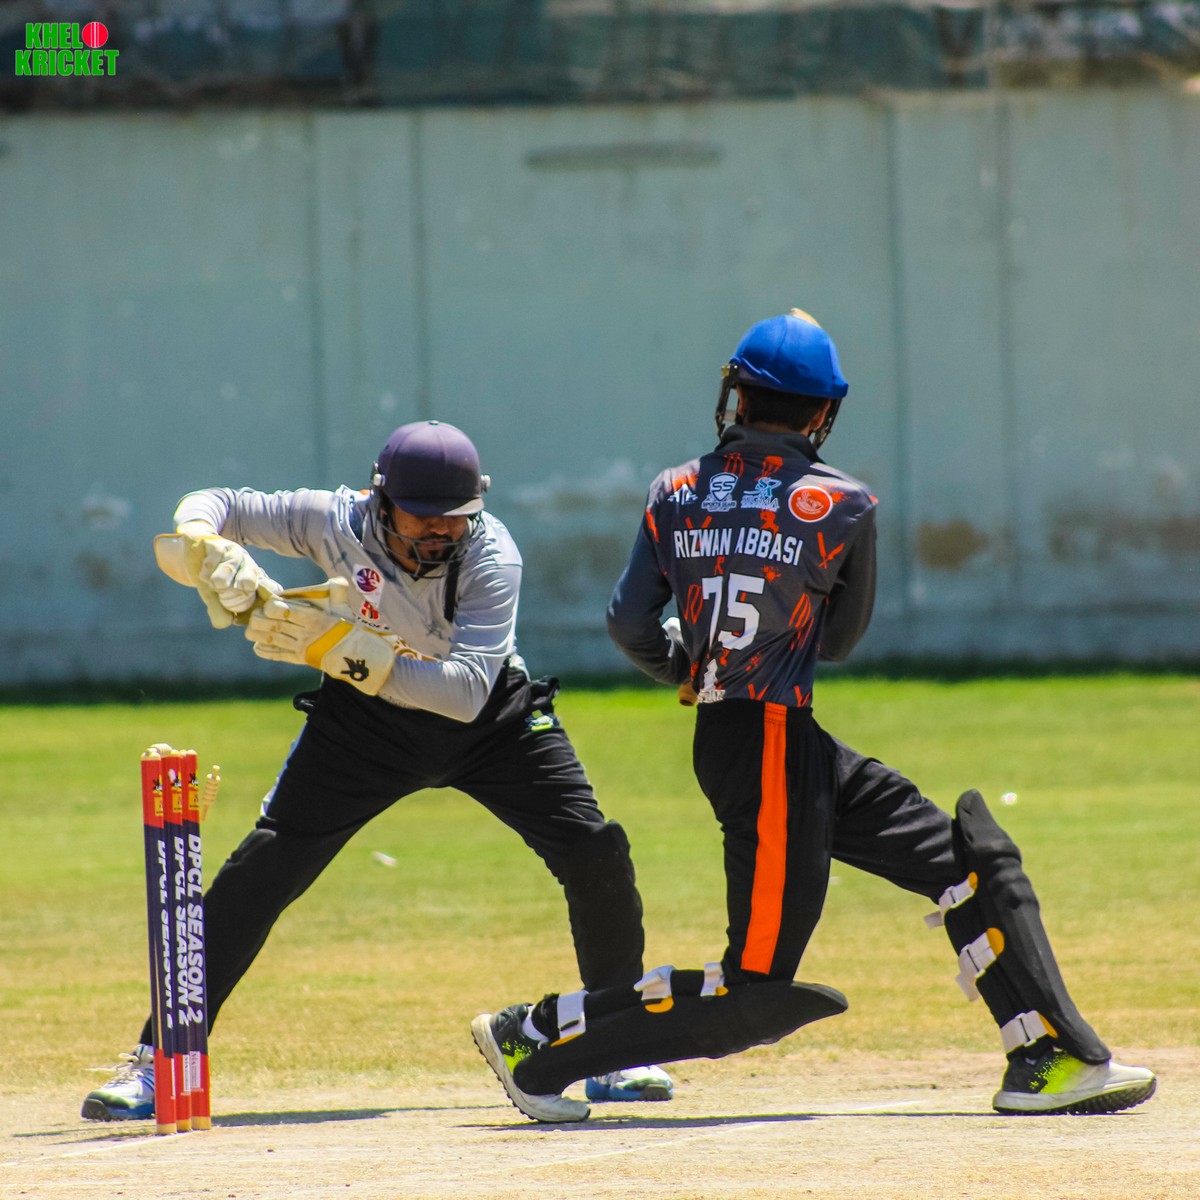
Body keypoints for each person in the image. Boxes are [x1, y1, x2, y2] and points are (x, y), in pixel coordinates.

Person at [470, 311, 1157, 1122]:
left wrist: (692, 667)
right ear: (823, 412)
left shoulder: (673, 490)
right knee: (755, 988)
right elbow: (837, 642)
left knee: (968, 863)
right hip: (769, 742)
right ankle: (539, 1042)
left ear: (736, 395)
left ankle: (1048, 1056)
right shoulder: (845, 503)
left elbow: (628, 623)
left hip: (765, 739)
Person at [82, 419, 673, 1122]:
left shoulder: (493, 554)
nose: (441, 532)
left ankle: (613, 1046)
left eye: (456, 517)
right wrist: (204, 543)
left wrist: (341, 648)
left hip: (492, 722)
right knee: (264, 868)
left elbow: (464, 693)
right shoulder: (331, 520)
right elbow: (220, 503)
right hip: (364, 726)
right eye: (423, 516)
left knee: (594, 850)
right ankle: (160, 1059)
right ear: (380, 500)